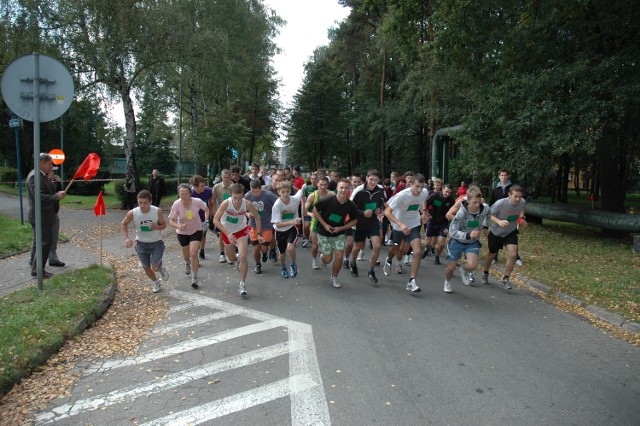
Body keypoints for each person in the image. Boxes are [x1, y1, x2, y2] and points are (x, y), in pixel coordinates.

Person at [213, 183, 264, 295]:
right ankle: (236, 258)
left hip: (241, 230)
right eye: (235, 198)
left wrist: (259, 233)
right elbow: (215, 220)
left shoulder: (248, 204)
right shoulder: (226, 203)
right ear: (231, 195)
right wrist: (228, 233)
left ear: (243, 196)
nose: (237, 201)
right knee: (231, 258)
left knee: (243, 256)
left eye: (240, 198)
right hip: (227, 231)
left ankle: (242, 284)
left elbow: (257, 217)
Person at [383, 173, 429, 293]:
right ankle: (388, 260)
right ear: (411, 184)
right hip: (399, 225)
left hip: (413, 224)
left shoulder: (424, 192)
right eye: (417, 186)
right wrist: (400, 224)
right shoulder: (402, 196)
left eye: (421, 187)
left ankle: (411, 281)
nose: (419, 190)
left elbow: (422, 201)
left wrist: (424, 211)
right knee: (396, 249)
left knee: (418, 252)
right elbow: (387, 212)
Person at [443, 186, 491, 294]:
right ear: (467, 201)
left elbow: (488, 215)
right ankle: (447, 281)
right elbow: (452, 231)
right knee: (451, 267)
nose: (478, 205)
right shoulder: (461, 213)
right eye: (474, 202)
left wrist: (485, 227)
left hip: (472, 242)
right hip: (457, 241)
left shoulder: (485, 207)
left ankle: (464, 269)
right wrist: (468, 234)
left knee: (472, 265)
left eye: (479, 202)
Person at [312, 180, 359, 288]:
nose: (344, 190)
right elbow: (315, 210)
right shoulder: (328, 199)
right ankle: (323, 256)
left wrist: (341, 228)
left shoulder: (351, 205)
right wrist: (324, 225)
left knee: (339, 256)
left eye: (346, 188)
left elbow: (354, 221)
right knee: (328, 259)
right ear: (337, 188)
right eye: (341, 187)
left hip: (338, 233)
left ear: (349, 189)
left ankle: (334, 277)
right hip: (323, 232)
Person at [121, 189, 169, 293]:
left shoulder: (157, 211)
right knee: (146, 267)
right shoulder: (133, 213)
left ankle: (160, 269)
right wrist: (126, 238)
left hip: (156, 243)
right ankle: (156, 282)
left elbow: (164, 225)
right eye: (140, 203)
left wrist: (156, 227)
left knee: (155, 267)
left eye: (145, 203)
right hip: (141, 243)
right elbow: (124, 224)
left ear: (150, 202)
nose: (142, 205)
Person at [27, 153, 66, 278]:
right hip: (41, 216)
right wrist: (56, 197)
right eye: (49, 164)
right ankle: (38, 270)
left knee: (39, 242)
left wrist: (56, 193)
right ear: (41, 163)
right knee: (44, 242)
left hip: (44, 215)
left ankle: (36, 268)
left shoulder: (42, 176)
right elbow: (39, 197)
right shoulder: (35, 177)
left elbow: (45, 192)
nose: (51, 166)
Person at [481, 185, 527, 289]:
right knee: (492, 254)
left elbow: (521, 209)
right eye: (515, 196)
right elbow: (489, 215)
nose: (518, 199)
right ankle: (485, 272)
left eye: (520, 196)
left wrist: (521, 219)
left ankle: (506, 278)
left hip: (510, 231)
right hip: (496, 232)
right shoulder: (500, 203)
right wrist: (499, 221)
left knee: (513, 254)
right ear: (509, 195)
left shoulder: (522, 201)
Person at [169, 183, 209, 289]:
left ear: (190, 194)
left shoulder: (197, 202)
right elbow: (171, 221)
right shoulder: (177, 204)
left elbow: (206, 209)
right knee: (187, 256)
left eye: (186, 194)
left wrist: (206, 220)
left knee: (194, 253)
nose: (184, 196)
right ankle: (187, 263)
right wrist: (179, 225)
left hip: (196, 229)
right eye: (181, 194)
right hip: (182, 232)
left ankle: (194, 277)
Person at [349, 169, 386, 283]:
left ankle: (371, 270)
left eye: (376, 180)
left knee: (377, 245)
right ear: (366, 178)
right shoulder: (359, 190)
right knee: (358, 246)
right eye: (371, 179)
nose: (373, 182)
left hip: (373, 222)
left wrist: (379, 209)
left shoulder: (380, 190)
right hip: (360, 223)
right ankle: (353, 262)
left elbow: (382, 203)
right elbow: (350, 207)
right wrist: (362, 213)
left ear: (378, 180)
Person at [490, 169, 524, 266]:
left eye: (505, 175)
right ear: (499, 176)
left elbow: (520, 203)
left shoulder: (512, 188)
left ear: (507, 176)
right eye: (502, 175)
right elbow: (492, 203)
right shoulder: (495, 189)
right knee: (497, 236)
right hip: (499, 216)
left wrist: (521, 217)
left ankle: (516, 257)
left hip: (511, 216)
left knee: (512, 236)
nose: (504, 177)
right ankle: (494, 257)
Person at [244, 179, 278, 275]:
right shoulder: (248, 195)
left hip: (267, 224)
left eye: (256, 191)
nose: (254, 193)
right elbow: (243, 208)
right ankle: (257, 264)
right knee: (256, 247)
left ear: (261, 189)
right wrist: (247, 214)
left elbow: (278, 204)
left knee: (263, 247)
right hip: (254, 225)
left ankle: (265, 253)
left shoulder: (268, 195)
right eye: (252, 190)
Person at [271, 180, 304, 279]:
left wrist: (304, 208)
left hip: (291, 229)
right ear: (279, 192)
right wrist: (292, 221)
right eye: (283, 192)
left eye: (288, 191)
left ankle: (293, 264)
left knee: (290, 247)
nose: (285, 194)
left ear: (290, 191)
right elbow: (278, 224)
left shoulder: (295, 199)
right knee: (282, 253)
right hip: (280, 231)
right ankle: (283, 267)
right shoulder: (277, 205)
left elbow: (301, 191)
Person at [304, 175, 334, 269]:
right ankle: (314, 260)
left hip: (327, 221)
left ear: (328, 185)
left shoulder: (332, 194)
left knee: (325, 245)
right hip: (315, 222)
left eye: (325, 185)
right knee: (315, 245)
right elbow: (304, 210)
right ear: (317, 184)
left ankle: (323, 257)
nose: (322, 187)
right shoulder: (313, 195)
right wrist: (310, 214)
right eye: (321, 184)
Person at [422, 182, 456, 265]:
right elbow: (425, 202)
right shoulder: (436, 195)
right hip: (432, 221)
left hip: (443, 223)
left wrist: (448, 227)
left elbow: (453, 215)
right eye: (446, 191)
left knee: (441, 244)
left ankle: (437, 256)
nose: (447, 194)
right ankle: (427, 249)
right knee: (427, 243)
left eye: (449, 192)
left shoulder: (451, 201)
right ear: (443, 189)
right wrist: (425, 212)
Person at [190, 175, 214, 260]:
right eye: (202, 186)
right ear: (195, 186)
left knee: (203, 234)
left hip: (204, 215)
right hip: (193, 217)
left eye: (204, 185)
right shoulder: (191, 193)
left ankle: (202, 250)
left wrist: (210, 211)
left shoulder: (207, 191)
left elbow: (210, 201)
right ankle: (194, 252)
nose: (204, 187)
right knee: (193, 235)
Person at [212, 169, 233, 263]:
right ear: (221, 177)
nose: (226, 179)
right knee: (222, 233)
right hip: (221, 212)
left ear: (230, 177)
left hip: (232, 213)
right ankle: (222, 253)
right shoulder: (217, 187)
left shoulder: (234, 187)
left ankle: (230, 254)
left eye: (227, 177)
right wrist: (214, 212)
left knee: (232, 233)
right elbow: (213, 200)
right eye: (224, 177)